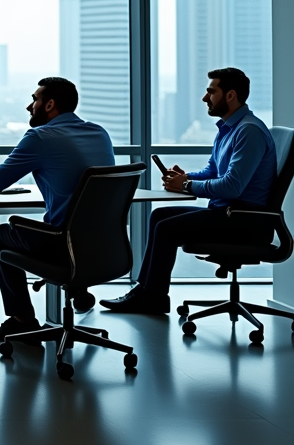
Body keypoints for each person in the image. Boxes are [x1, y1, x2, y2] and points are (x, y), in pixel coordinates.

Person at [101, 68, 276, 314]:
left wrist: (185, 186)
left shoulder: (249, 131)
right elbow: (213, 172)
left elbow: (232, 186)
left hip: (244, 219)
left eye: (211, 92)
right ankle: (146, 290)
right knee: (160, 216)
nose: (205, 98)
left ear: (230, 95)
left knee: (166, 228)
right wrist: (185, 178)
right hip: (226, 213)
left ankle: (153, 298)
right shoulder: (228, 129)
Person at [0, 77, 114, 341]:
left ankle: (22, 320)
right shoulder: (99, 133)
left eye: (34, 99)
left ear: (49, 104)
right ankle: (79, 287)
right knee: (70, 223)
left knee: (2, 233)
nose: (30, 107)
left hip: (62, 244)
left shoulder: (41, 137)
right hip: (104, 243)